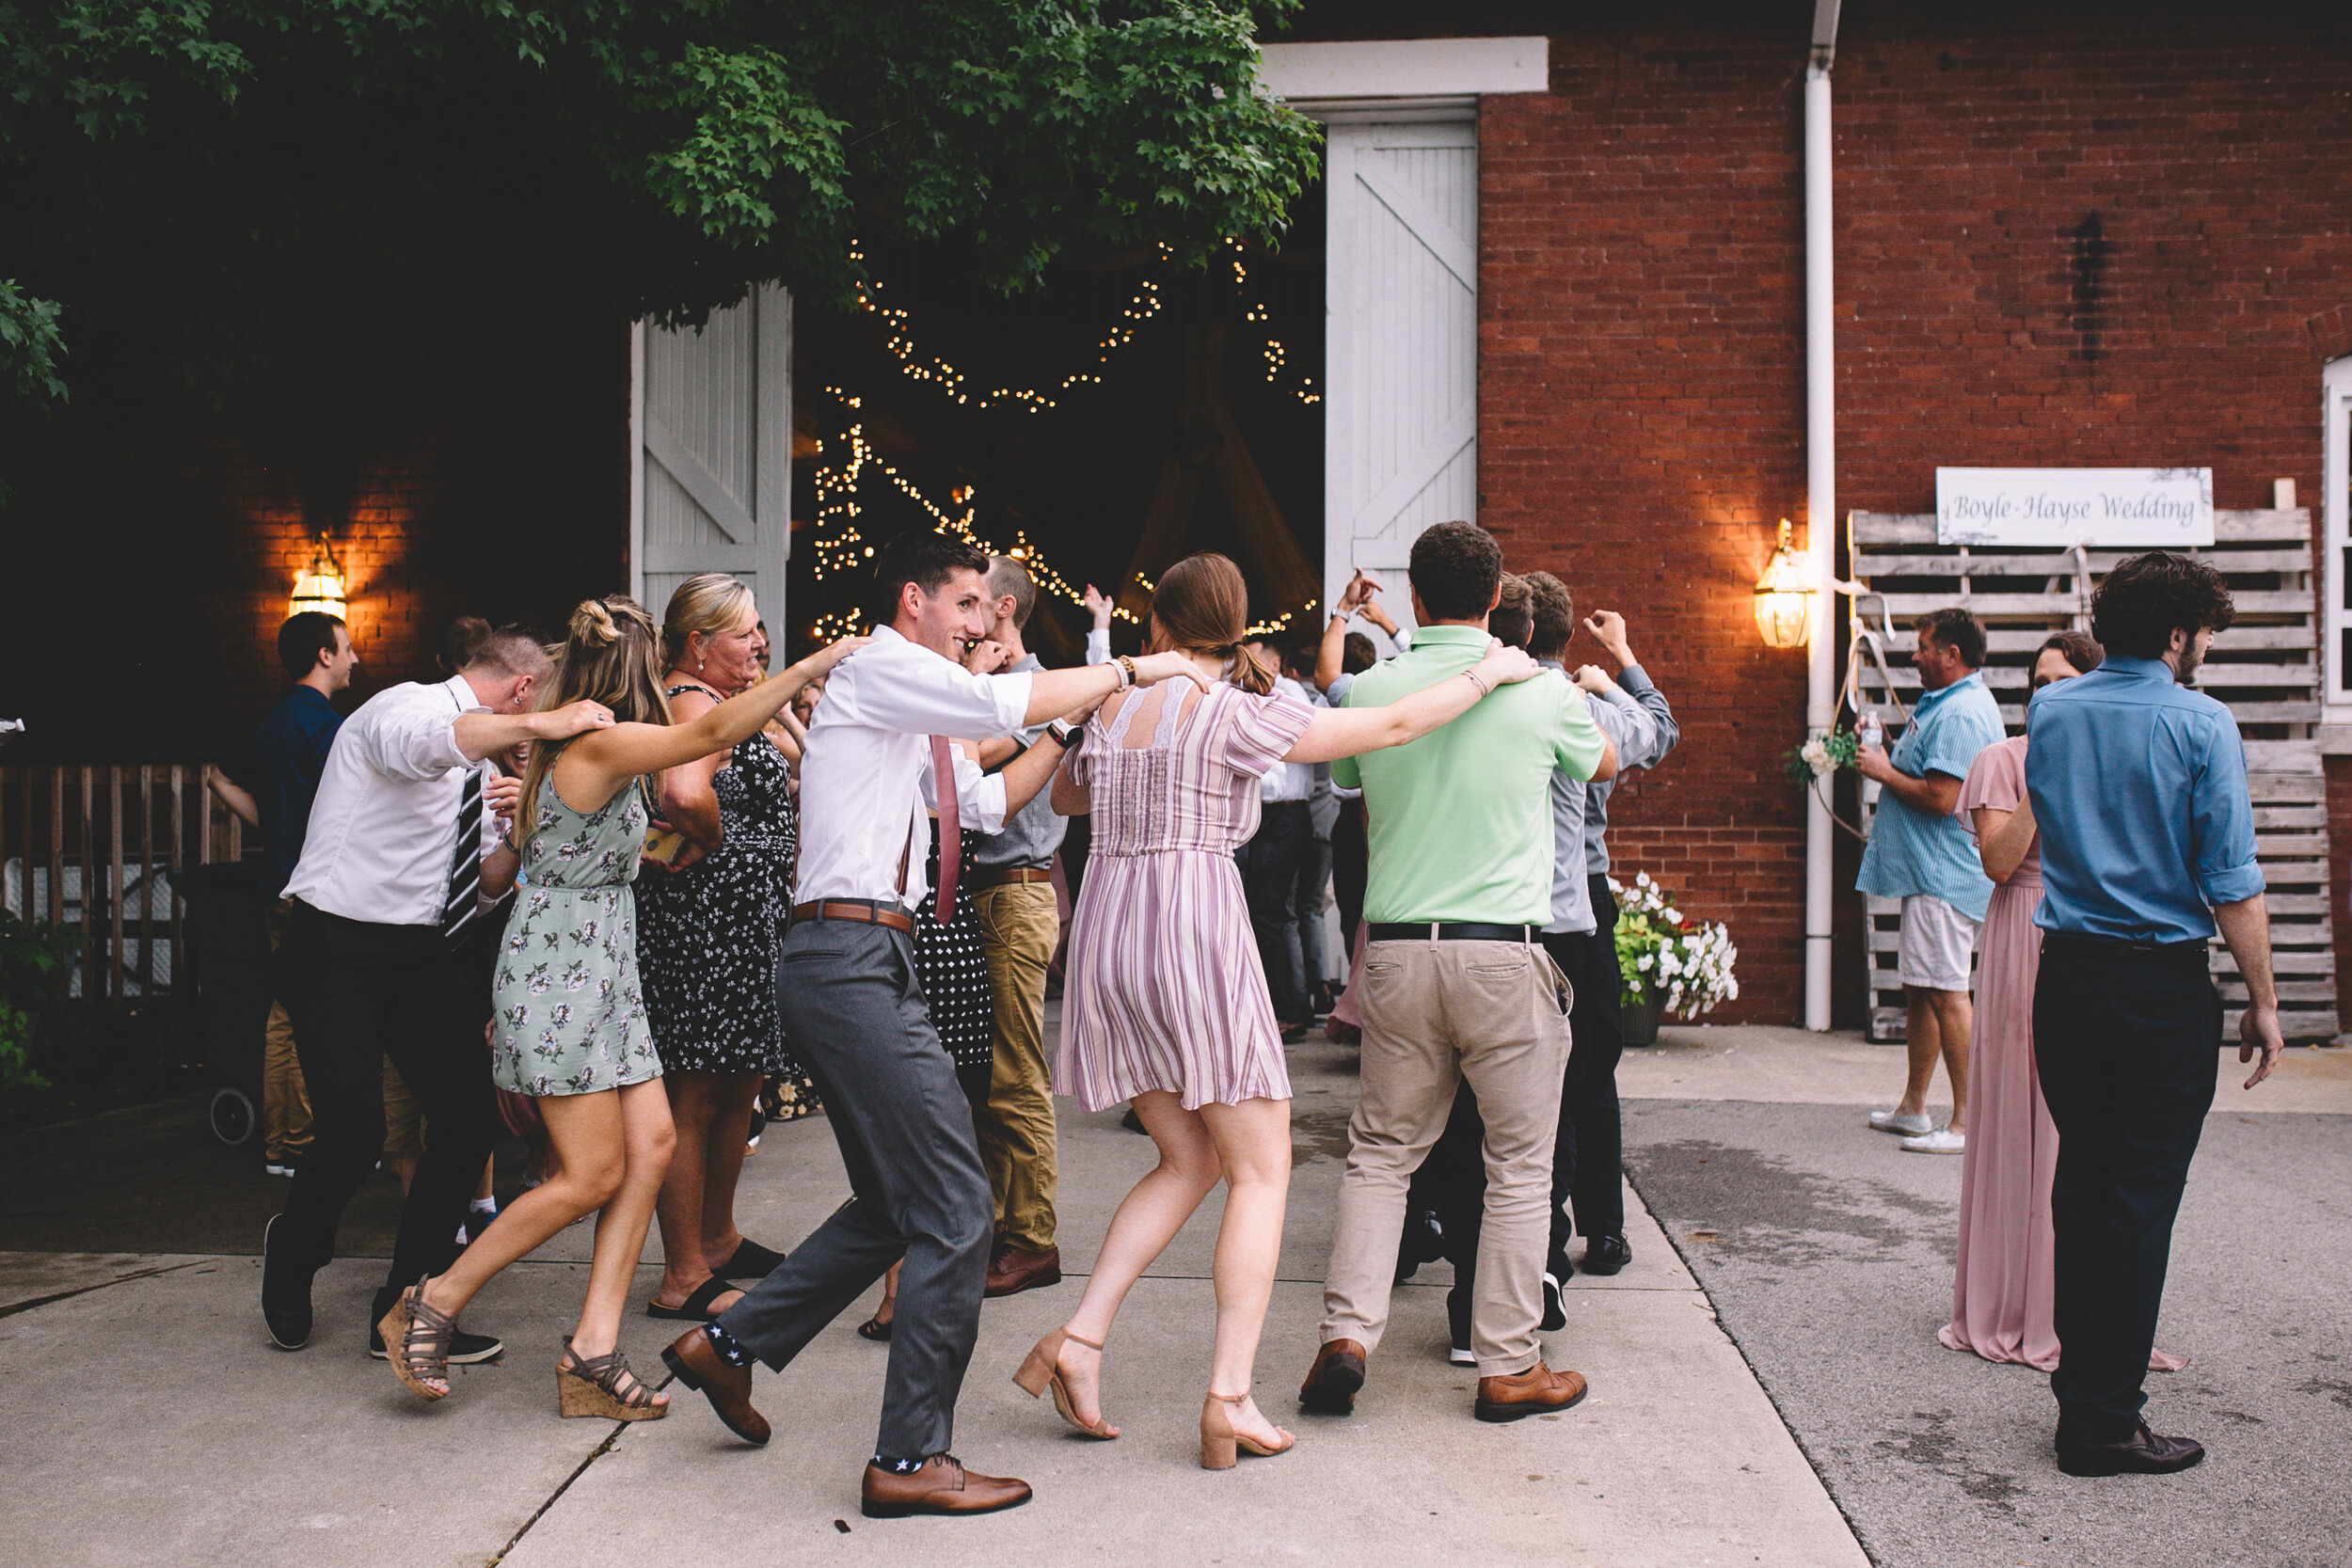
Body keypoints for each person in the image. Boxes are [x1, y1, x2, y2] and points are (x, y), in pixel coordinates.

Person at [660, 530, 1211, 1521]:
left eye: (988, 608)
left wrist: (1074, 729)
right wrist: (1129, 665)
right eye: (967, 604)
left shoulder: (899, 700)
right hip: (850, 961)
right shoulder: (883, 667)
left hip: (860, 960)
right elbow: (1000, 702)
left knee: (889, 1204)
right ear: (912, 600)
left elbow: (985, 800)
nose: (983, 622)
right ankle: (908, 1458)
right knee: (959, 1207)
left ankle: (729, 1342)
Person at [1025, 550, 1542, 1467]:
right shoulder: (1232, 711)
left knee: (1187, 1156)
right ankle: (1226, 1395)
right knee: (1261, 1168)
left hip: (1112, 927)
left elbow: (1067, 794)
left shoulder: (1111, 705)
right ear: (1236, 622)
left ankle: (1080, 1336)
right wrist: (1488, 670)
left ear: (1158, 625)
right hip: (1190, 917)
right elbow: (1383, 724)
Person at [377, 597, 861, 1417]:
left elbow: (614, 839)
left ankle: (592, 1352)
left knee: (655, 1143)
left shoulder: (588, 749)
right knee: (592, 1172)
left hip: (606, 968)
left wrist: (663, 850)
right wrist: (809, 669)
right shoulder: (598, 743)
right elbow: (705, 737)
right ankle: (431, 1299)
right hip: (561, 975)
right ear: (637, 677)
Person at [1300, 521, 1615, 1427]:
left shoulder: (1374, 684)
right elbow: (1609, 762)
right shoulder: (1536, 685)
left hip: (1396, 948)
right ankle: (1510, 1364)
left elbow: (1352, 772)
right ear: (1491, 600)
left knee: (1380, 1153)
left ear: (1420, 596)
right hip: (1500, 951)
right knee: (1518, 1163)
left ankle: (1347, 1336)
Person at [262, 626, 596, 1357]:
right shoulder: (402, 709)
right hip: (336, 944)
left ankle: (403, 1304)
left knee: (470, 1117)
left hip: (420, 952)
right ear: (521, 692)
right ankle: (292, 1250)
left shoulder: (485, 776)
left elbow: (482, 890)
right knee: (353, 1137)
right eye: (542, 705)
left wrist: (516, 830)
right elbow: (428, 746)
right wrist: (543, 725)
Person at [2026, 552, 2281, 1477]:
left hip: (2067, 978)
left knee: (2084, 1187)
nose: (2202, 648)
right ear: (2178, 633)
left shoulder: (2052, 709)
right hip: (2157, 985)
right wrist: (2262, 997)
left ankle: (2082, 1399)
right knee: (2136, 1199)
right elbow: (2231, 880)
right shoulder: (2202, 722)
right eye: (2203, 632)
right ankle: (2101, 1420)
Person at [1941, 629, 2188, 1377]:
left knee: (2083, 1130)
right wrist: (2051, 771)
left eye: (2063, 680)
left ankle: (2086, 1309)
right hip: (2021, 933)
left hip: (2095, 937)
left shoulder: (2118, 753)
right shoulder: (2000, 761)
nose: (2048, 694)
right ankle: (2009, 1302)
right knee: (2021, 1115)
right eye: (2038, 682)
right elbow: (1998, 861)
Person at [635, 575, 813, 1325]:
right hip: (703, 918)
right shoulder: (689, 701)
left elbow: (794, 767)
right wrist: (717, 839)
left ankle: (718, 1235)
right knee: (696, 1096)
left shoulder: (725, 702)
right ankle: (681, 1273)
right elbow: (681, 791)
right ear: (697, 644)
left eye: (760, 629)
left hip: (743, 920)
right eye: (744, 634)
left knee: (736, 1086)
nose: (761, 643)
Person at [1539, 585, 1677, 1296]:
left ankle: (1544, 1239)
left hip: (1530, 903)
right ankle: (1606, 1224)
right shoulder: (1589, 707)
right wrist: (1619, 657)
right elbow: (1662, 727)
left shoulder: (1507, 702)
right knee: (1592, 1072)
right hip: (1584, 894)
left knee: (1547, 1077)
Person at [208, 611, 358, 1178]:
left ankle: (284, 1145)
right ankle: (298, 1145)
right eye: (347, 648)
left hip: (279, 882)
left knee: (285, 1014)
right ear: (324, 655)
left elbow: (219, 776)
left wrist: (272, 828)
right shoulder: (326, 727)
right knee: (312, 1014)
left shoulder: (275, 719)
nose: (354, 659)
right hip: (316, 891)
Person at [965, 557, 1075, 1300]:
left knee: (1016, 1074)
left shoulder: (1033, 692)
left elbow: (966, 760)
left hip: (1014, 892)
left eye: (976, 598)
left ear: (1004, 606)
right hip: (987, 894)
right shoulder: (993, 686)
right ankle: (1002, 1223)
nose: (967, 612)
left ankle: (1033, 1238)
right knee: (989, 1074)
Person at [1855, 606, 2004, 1154]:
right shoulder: (1945, 702)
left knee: (1946, 992)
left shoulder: (1962, 712)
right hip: (1929, 873)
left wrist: (1883, 771)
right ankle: (1914, 1109)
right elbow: (1933, 772)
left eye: (1922, 647)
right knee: (1922, 989)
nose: (1914, 656)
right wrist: (1890, 747)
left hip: (1944, 875)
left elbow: (1944, 799)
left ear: (1952, 655)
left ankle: (1966, 1122)